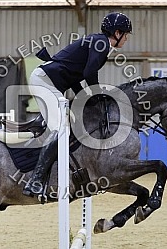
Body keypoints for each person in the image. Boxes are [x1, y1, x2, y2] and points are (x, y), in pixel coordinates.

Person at [23, 12, 132, 200]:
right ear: (117, 32)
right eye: (126, 34)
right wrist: (95, 94)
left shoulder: (98, 42)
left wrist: (88, 96)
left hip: (51, 82)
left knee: (71, 122)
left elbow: (76, 76)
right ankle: (36, 180)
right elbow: (90, 73)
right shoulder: (102, 45)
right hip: (45, 82)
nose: (127, 38)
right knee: (61, 129)